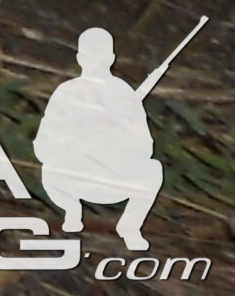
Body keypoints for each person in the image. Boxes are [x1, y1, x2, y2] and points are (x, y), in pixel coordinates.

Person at [35, 28, 165, 249]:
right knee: (48, 170)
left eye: (100, 55)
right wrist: (75, 144)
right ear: (79, 59)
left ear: (111, 58)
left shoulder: (123, 94)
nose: (95, 62)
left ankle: (130, 226)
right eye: (89, 55)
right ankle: (72, 212)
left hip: (114, 178)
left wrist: (120, 130)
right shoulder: (67, 92)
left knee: (153, 170)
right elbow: (43, 143)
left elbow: (146, 147)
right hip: (72, 177)